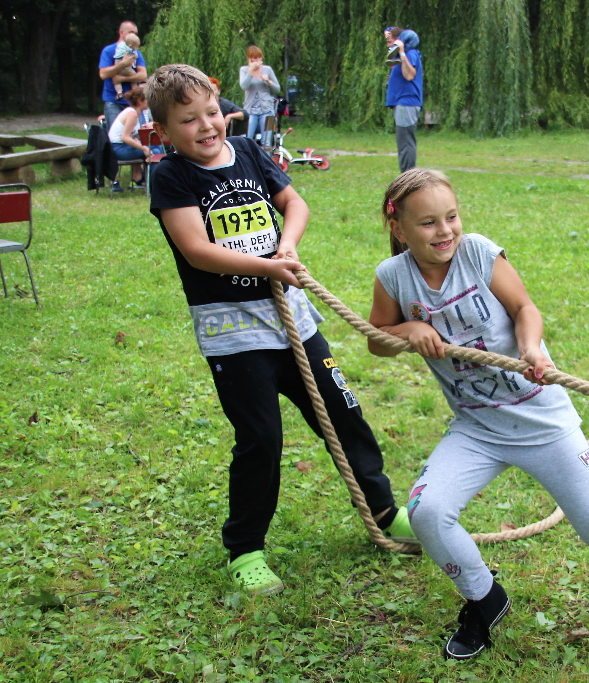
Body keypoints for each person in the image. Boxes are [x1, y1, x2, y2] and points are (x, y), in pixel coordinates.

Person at [366, 169, 589, 682]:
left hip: (544, 421)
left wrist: (530, 348)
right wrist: (408, 329)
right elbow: (377, 338)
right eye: (428, 223)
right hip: (477, 427)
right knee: (427, 511)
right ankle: (484, 598)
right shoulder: (393, 275)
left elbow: (524, 307)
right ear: (399, 227)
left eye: (451, 217)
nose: (445, 231)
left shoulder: (478, 253)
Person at [144, 64, 416, 595]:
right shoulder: (172, 176)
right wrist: (268, 266)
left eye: (210, 113)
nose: (206, 126)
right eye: (188, 120)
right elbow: (197, 250)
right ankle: (246, 548)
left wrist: (286, 245)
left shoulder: (248, 151)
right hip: (235, 335)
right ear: (164, 131)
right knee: (261, 439)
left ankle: (384, 511)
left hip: (292, 321)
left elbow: (294, 203)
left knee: (343, 413)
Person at [383, 27, 423, 173]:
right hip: (402, 103)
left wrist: (401, 52)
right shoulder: (403, 55)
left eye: (390, 41)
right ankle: (407, 176)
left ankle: (407, 178)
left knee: (406, 143)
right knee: (404, 143)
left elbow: (409, 75)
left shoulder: (409, 54)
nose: (388, 45)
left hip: (406, 103)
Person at [99, 21, 147, 132]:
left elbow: (143, 75)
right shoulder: (109, 51)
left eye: (135, 33)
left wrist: (123, 79)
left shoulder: (136, 52)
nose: (133, 35)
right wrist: (123, 64)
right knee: (116, 135)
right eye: (131, 32)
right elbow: (103, 74)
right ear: (121, 32)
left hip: (134, 102)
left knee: (139, 133)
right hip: (113, 101)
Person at [107, 86, 150, 192]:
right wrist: (143, 148)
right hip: (117, 149)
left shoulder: (132, 112)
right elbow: (125, 137)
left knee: (154, 149)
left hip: (120, 146)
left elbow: (130, 135)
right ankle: (153, 185)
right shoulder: (132, 115)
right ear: (140, 101)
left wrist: (138, 143)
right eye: (148, 99)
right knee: (153, 151)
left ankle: (148, 182)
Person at [239, 46, 280, 147]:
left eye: (259, 57)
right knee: (247, 140)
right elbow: (244, 86)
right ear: (249, 59)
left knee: (266, 143)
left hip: (267, 109)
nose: (258, 60)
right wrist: (250, 71)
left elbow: (277, 89)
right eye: (255, 58)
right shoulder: (244, 70)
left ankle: (266, 157)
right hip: (250, 111)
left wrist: (268, 81)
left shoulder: (267, 69)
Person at [112, 33, 142, 101]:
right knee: (134, 77)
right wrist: (135, 56)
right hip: (125, 68)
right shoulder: (129, 50)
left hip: (117, 68)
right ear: (130, 45)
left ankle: (119, 93)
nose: (137, 48)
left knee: (116, 81)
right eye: (136, 46)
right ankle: (135, 91)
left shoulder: (120, 46)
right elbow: (134, 56)